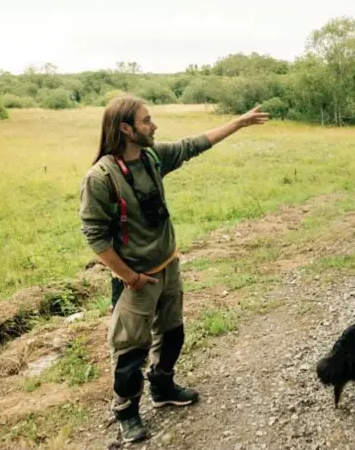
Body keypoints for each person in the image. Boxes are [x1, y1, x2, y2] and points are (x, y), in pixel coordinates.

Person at [79, 96, 269, 443]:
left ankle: (163, 386)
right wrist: (130, 277)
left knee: (173, 333)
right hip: (136, 279)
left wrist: (239, 122)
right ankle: (126, 412)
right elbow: (95, 235)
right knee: (130, 352)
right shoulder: (102, 177)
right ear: (125, 129)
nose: (153, 126)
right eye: (146, 120)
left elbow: (194, 144)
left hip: (168, 266)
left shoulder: (152, 158)